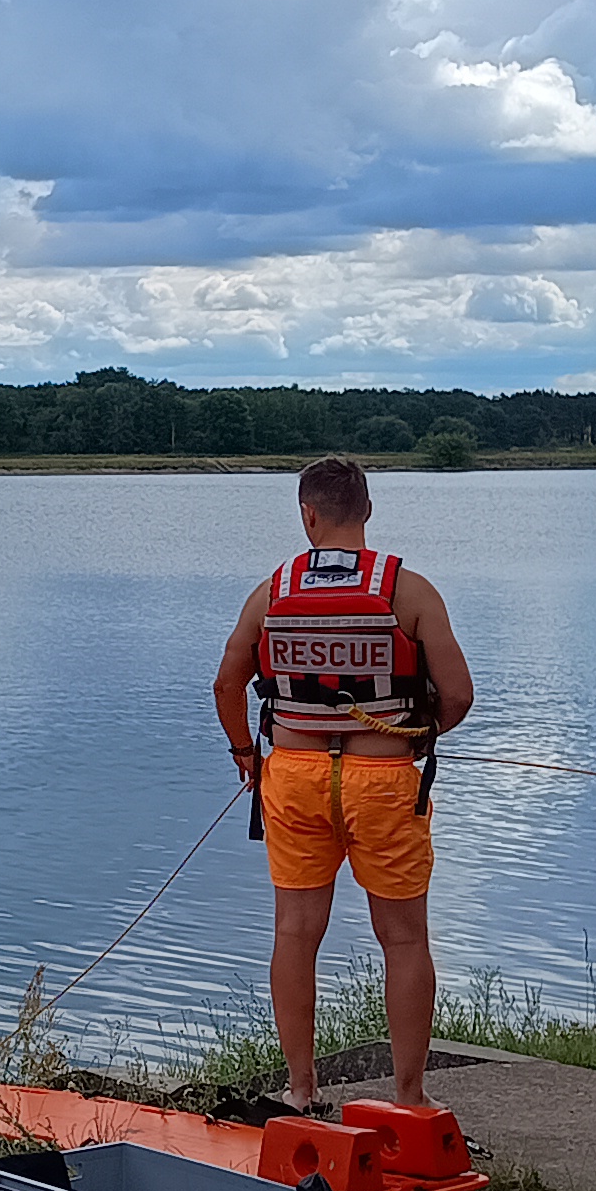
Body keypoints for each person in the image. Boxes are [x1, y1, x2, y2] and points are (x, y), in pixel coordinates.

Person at [210, 456, 474, 1112]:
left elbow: (226, 684)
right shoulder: (407, 591)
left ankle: (301, 1093)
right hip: (383, 781)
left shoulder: (271, 593)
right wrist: (416, 733)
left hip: (294, 777)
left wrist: (245, 752)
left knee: (295, 933)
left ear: (308, 515)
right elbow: (459, 695)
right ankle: (409, 1098)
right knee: (404, 938)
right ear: (368, 511)